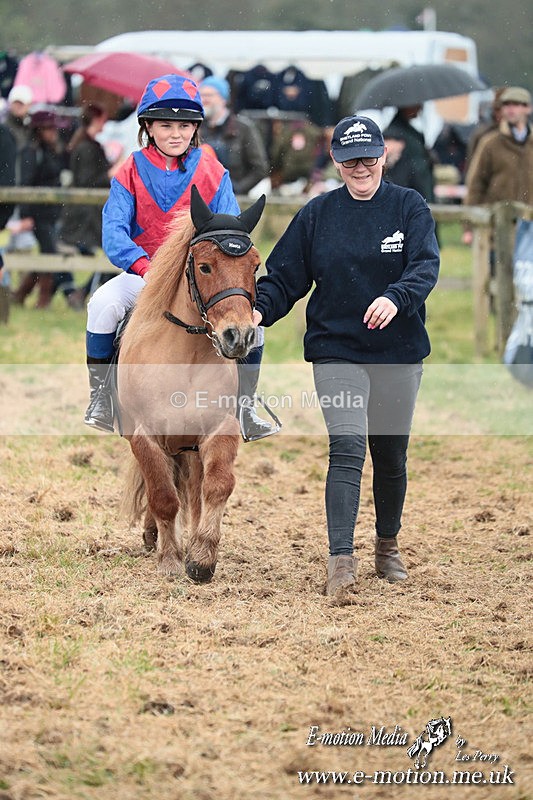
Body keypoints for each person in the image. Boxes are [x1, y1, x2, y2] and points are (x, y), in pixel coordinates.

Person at [253, 115, 439, 603]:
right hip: (336, 348)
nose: (362, 167)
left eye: (370, 157)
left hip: (398, 351)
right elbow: (284, 277)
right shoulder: (317, 216)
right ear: (335, 161)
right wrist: (257, 310)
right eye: (351, 158)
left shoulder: (409, 207)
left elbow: (425, 266)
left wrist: (397, 298)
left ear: (384, 156)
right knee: (348, 445)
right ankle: (341, 560)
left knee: (390, 455)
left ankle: (387, 544)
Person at [84, 73, 275, 442]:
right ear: (148, 128)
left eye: (185, 125)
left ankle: (245, 406)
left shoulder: (212, 169)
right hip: (146, 272)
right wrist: (144, 266)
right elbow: (113, 231)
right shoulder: (130, 170)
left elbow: (231, 227)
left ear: (195, 128)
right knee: (102, 304)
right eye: (166, 125)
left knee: (254, 322)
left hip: (202, 277)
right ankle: (102, 398)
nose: (176, 133)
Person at [58, 103, 120, 307]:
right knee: (110, 252)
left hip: (88, 212)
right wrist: (112, 172)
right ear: (96, 119)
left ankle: (80, 292)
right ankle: (81, 293)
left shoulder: (87, 144)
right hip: (86, 214)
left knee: (106, 253)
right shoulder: (85, 147)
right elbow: (87, 180)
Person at [10, 110, 67, 308]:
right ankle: (43, 300)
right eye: (49, 128)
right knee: (49, 254)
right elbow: (25, 185)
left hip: (50, 213)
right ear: (39, 130)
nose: (53, 132)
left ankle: (20, 294)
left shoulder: (51, 150)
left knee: (46, 253)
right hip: (37, 213)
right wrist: (26, 215)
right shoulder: (31, 151)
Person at [199, 76, 269, 195]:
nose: (204, 99)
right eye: (201, 95)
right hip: (204, 198)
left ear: (223, 99)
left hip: (235, 202)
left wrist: (237, 189)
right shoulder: (197, 128)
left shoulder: (244, 128)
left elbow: (260, 169)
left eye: (209, 95)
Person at [464, 86, 533, 208]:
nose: (511, 108)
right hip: (499, 218)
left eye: (516, 104)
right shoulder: (490, 143)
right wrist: (469, 221)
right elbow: (476, 184)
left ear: (528, 108)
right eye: (506, 104)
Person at [382, 105, 436, 203]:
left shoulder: (410, 133)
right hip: (408, 196)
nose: (420, 108)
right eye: (418, 104)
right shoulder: (394, 134)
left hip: (416, 194)